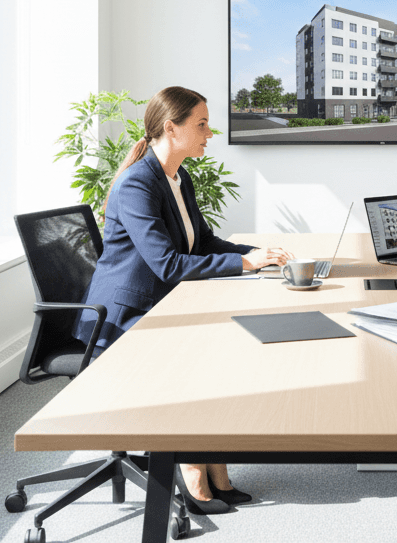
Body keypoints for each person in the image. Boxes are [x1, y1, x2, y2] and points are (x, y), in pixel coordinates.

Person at [74, 85, 292, 514]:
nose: (210, 132)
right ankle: (194, 473)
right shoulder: (138, 183)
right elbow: (169, 265)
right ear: (171, 129)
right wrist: (247, 267)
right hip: (120, 318)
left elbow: (203, 241)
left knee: (220, 346)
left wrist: (255, 255)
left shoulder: (177, 176)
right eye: (202, 124)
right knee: (197, 359)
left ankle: (216, 468)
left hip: (159, 304)